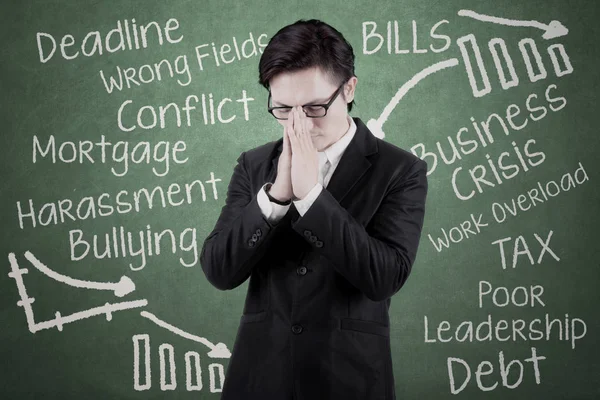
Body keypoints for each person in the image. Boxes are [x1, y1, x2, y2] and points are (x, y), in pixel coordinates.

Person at [200, 18, 428, 400]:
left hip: (350, 379)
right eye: (284, 109)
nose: (299, 124)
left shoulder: (401, 170)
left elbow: (384, 276)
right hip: (259, 380)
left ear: (349, 88)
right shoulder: (254, 165)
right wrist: (275, 198)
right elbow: (219, 270)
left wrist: (310, 198)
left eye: (315, 107)